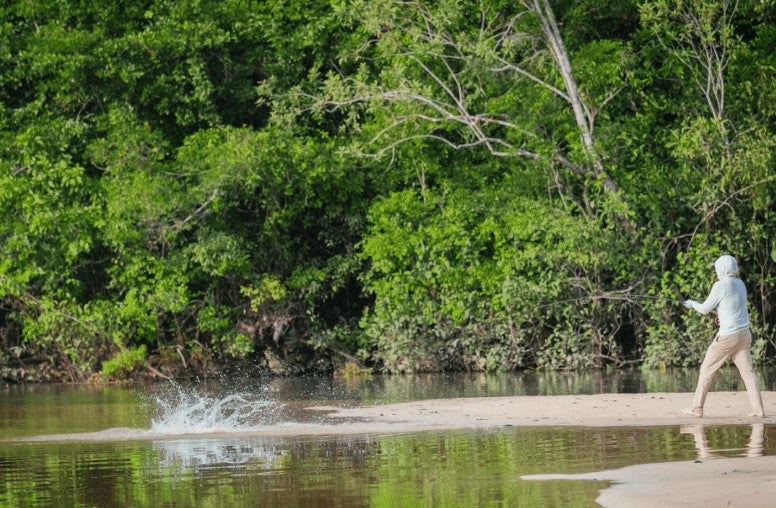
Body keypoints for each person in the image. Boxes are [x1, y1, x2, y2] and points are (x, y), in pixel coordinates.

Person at [681, 254, 765, 418]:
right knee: (748, 373)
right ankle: (759, 410)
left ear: (721, 269)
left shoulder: (720, 285)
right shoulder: (740, 284)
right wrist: (721, 316)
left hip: (728, 337)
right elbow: (732, 306)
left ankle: (697, 408)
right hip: (744, 335)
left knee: (706, 369)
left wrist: (691, 304)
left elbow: (705, 309)